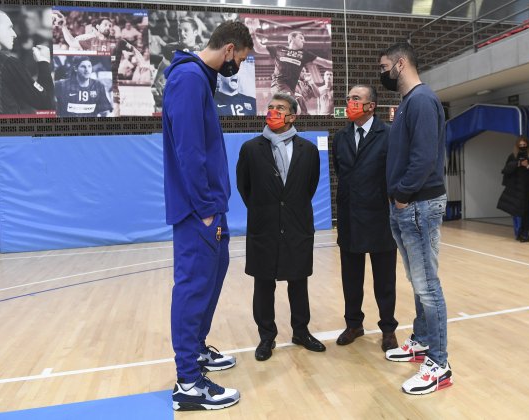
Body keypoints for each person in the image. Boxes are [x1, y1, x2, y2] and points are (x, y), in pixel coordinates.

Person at [162, 20, 253, 411]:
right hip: (198, 210)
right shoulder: (188, 79)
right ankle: (188, 383)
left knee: (211, 280)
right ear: (229, 49)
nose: (239, 67)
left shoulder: (201, 79)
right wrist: (202, 209)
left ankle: (196, 352)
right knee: (193, 287)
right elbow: (189, 151)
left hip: (212, 206)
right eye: (241, 59)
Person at [379, 42, 453, 395]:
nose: (383, 74)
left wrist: (404, 195)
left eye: (384, 66)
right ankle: (422, 340)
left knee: (428, 285)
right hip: (407, 205)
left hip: (418, 205)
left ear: (401, 63)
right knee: (417, 279)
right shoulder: (409, 103)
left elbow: (424, 159)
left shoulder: (422, 100)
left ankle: (439, 363)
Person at [236, 93, 324, 362]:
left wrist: (289, 210)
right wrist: (268, 211)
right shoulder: (250, 149)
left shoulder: (308, 150)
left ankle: (301, 331)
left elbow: (308, 187)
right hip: (264, 227)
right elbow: (245, 188)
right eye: (270, 107)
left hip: (297, 226)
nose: (273, 111)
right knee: (264, 285)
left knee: (298, 282)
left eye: (280, 108)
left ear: (293, 116)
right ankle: (266, 337)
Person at [332, 85, 399, 353]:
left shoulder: (389, 135)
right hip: (350, 217)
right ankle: (354, 325)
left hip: (381, 218)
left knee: (384, 281)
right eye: (348, 98)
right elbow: (342, 172)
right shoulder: (340, 137)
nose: (349, 102)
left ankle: (388, 329)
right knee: (351, 279)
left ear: (371, 106)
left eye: (356, 98)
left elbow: (394, 172)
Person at [0, 8, 54, 116]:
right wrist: (43, 62)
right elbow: (46, 102)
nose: (14, 34)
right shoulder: (6, 63)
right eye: (9, 28)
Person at [246, 18, 332, 95]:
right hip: (278, 85)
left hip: (290, 89)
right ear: (292, 39)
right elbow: (259, 49)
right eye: (301, 38)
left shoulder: (305, 54)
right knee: (291, 104)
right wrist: (252, 34)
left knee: (296, 109)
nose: (304, 40)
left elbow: (325, 63)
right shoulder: (279, 48)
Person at [497, 136, 529, 242]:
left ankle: (526, 232)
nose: (523, 147)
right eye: (521, 145)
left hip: (527, 187)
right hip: (515, 187)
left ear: (527, 145)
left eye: (524, 145)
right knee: (517, 210)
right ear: (517, 145)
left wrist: (527, 165)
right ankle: (522, 232)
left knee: (525, 210)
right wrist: (518, 164)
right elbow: (505, 169)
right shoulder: (513, 156)